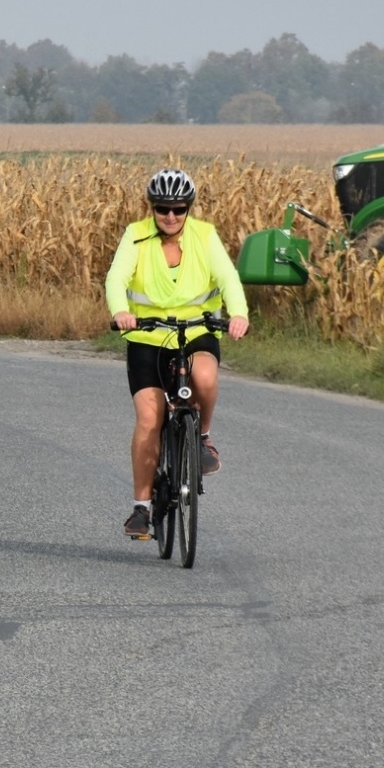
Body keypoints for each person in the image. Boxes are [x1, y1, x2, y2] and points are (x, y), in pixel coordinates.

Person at [105, 168, 249, 540]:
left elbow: (228, 278)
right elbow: (116, 278)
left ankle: (201, 436)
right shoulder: (136, 237)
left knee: (204, 377)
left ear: (189, 209)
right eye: (163, 208)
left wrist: (238, 314)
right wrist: (120, 311)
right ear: (151, 208)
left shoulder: (205, 236)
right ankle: (141, 508)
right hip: (148, 338)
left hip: (196, 332)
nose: (171, 216)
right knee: (150, 419)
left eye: (179, 209)